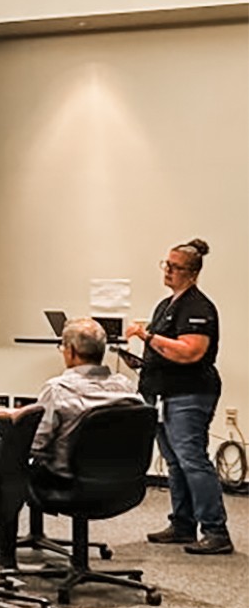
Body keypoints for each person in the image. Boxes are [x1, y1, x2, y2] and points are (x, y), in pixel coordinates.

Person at [124, 238, 231, 555]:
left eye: (176, 267)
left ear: (193, 273)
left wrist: (148, 336)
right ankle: (183, 524)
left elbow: (191, 352)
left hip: (190, 393)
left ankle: (216, 530)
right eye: (166, 265)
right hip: (162, 392)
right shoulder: (165, 304)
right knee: (174, 462)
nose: (168, 271)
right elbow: (163, 348)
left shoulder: (198, 308)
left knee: (192, 460)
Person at [29, 318, 144, 479]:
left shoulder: (58, 390)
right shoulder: (127, 388)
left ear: (71, 351)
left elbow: (35, 445)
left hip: (66, 482)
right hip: (121, 482)